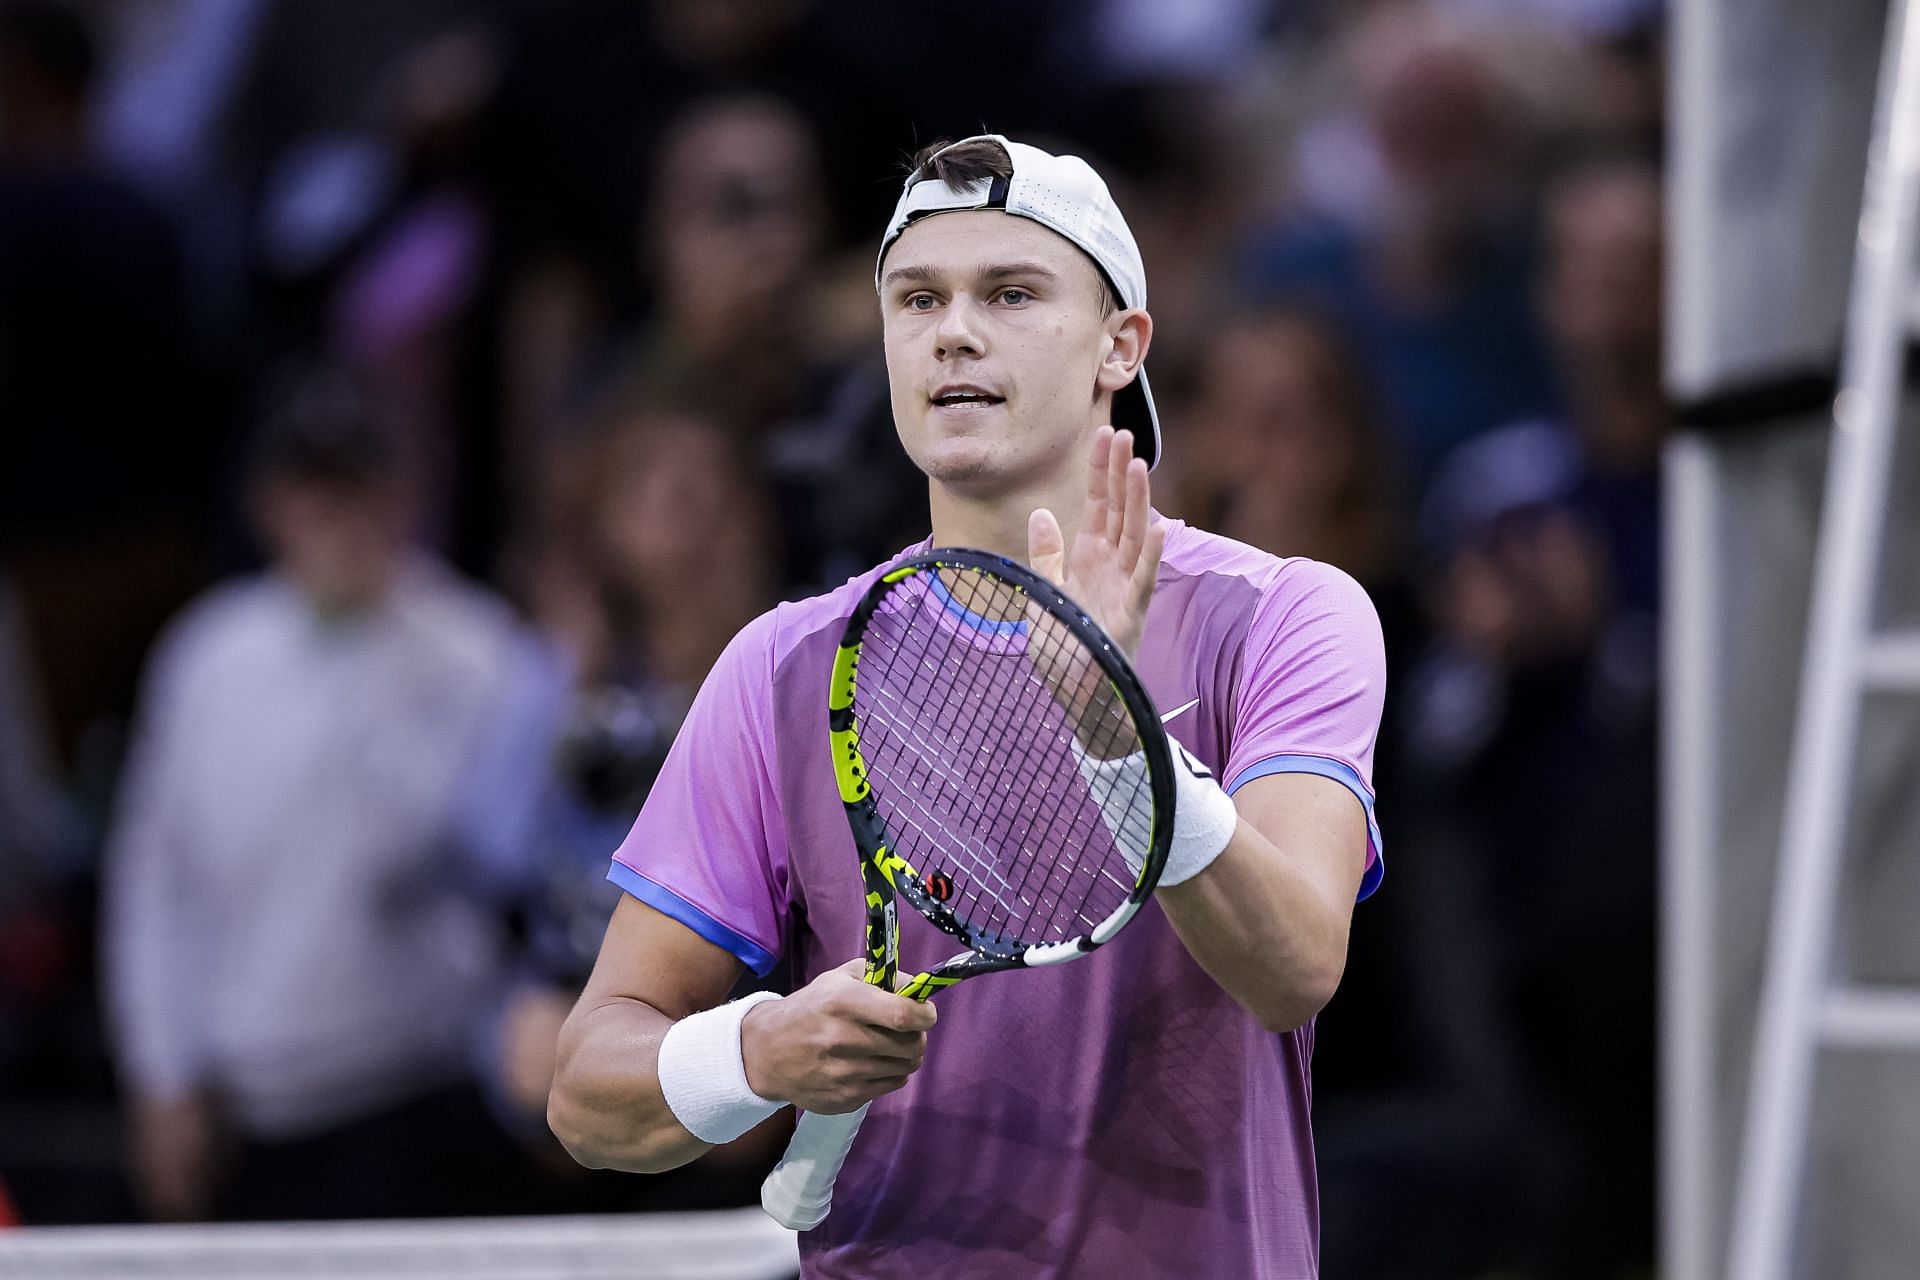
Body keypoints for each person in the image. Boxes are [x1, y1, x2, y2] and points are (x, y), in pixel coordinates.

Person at [547, 135, 1387, 1277]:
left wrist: (1113, 735)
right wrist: (757, 1046)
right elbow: (589, 1091)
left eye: (1011, 292)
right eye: (917, 298)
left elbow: (1294, 965)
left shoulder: (1287, 616)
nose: (952, 330)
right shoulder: (780, 666)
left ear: (1119, 344)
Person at [102, 371, 545, 1222]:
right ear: (268, 502)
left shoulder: (478, 650)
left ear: (404, 492)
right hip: (243, 1107)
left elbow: (424, 853)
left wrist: (374, 635)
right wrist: (161, 1071)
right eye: (311, 487)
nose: (335, 514)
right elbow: (158, 881)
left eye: (358, 484)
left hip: (413, 1094)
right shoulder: (206, 656)